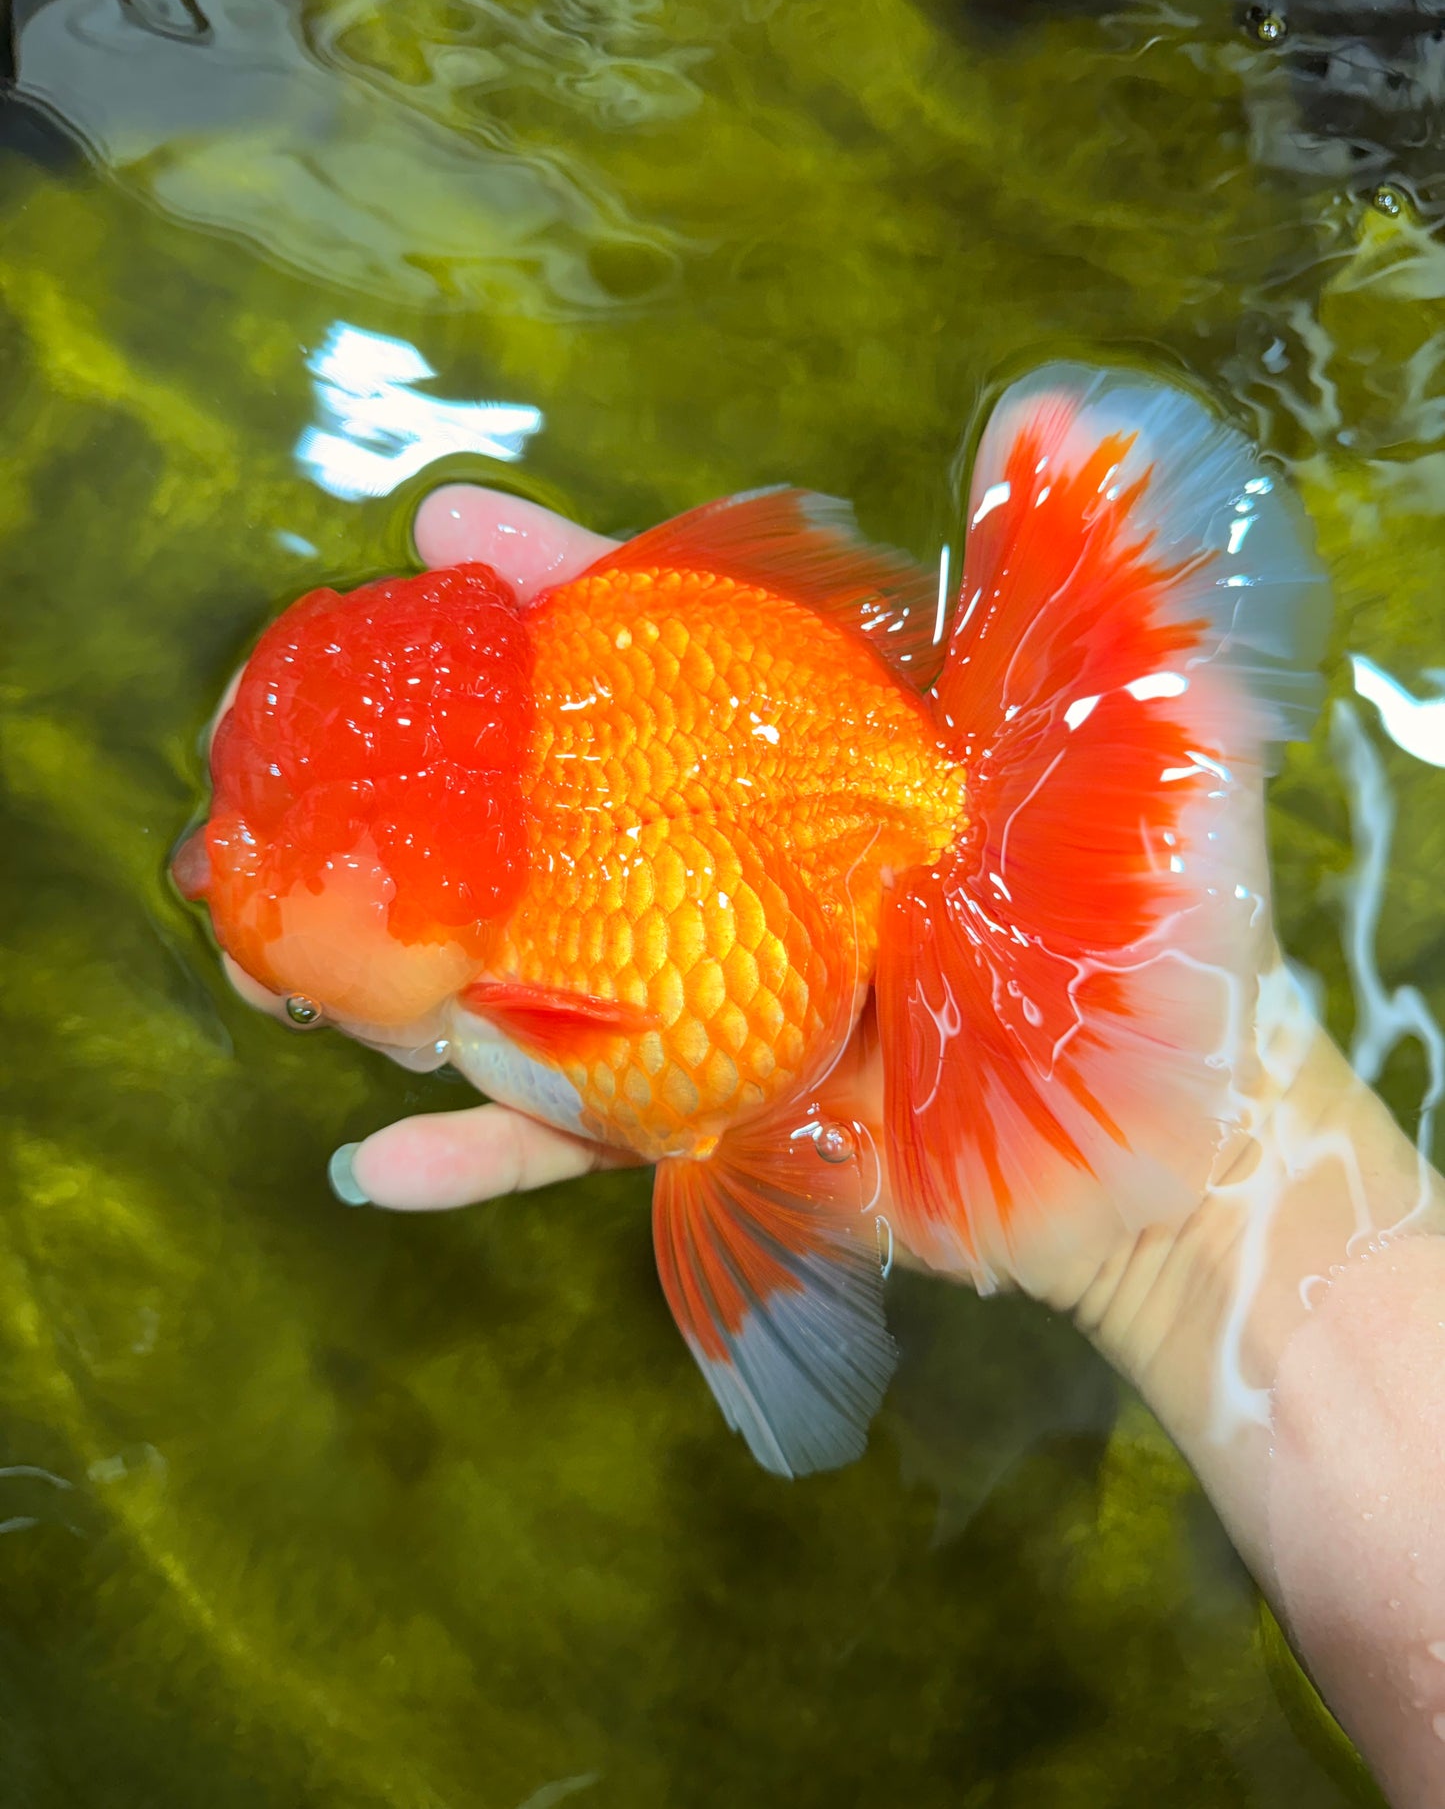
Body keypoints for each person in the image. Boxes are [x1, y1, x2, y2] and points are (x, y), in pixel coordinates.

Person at [223, 482, 1445, 1809]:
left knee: (714, 1121)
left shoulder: (506, 988)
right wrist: (1205, 1178)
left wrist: (1198, 1168)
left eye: (303, 1005)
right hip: (776, 712)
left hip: (824, 796)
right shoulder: (471, 901)